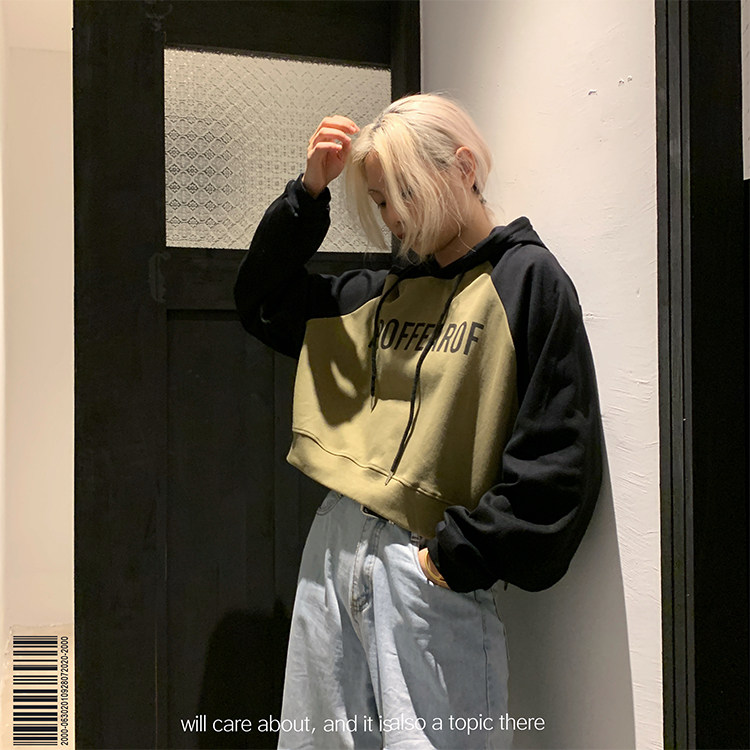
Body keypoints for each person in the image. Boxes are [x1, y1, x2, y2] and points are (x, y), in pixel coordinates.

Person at [234, 93, 603, 749]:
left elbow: (557, 457)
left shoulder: (526, 281)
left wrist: (454, 558)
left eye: (404, 192)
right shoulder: (386, 293)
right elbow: (263, 302)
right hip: (336, 547)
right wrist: (306, 196)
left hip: (425, 564)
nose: (394, 217)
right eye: (380, 201)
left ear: (464, 167)